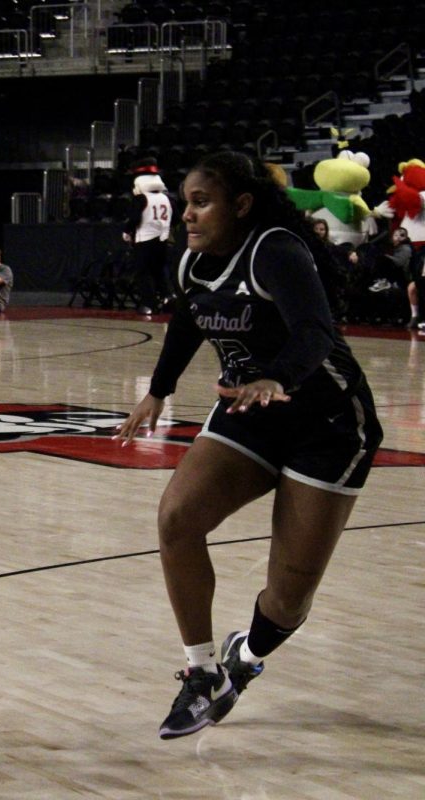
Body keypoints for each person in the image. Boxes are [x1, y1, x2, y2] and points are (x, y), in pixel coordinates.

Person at [113, 151, 384, 740]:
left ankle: (249, 653)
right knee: (177, 517)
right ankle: (203, 671)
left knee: (286, 602)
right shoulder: (190, 261)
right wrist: (157, 392)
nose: (187, 214)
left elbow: (316, 331)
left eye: (201, 202)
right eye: (185, 201)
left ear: (240, 205)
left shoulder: (274, 249)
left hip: (329, 425)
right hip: (249, 412)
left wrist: (276, 378)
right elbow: (189, 319)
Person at [122, 165, 173, 315]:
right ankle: (167, 297)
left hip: (144, 240)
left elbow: (135, 218)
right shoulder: (166, 198)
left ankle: (149, 304)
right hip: (162, 240)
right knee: (159, 271)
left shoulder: (141, 199)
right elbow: (175, 217)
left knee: (142, 272)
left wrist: (126, 231)